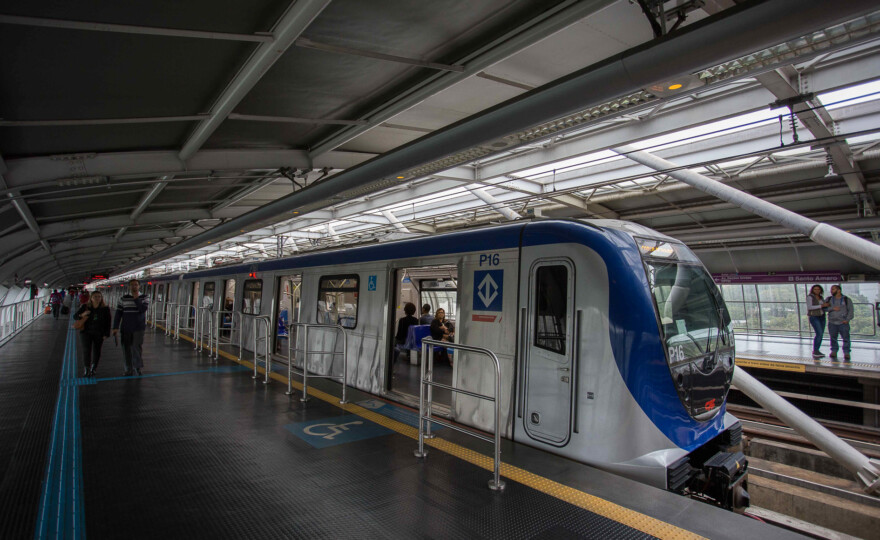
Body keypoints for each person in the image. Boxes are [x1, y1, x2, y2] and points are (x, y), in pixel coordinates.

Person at [112, 279, 150, 376]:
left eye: (136, 285)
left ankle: (137, 368)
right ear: (129, 287)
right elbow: (118, 313)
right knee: (126, 349)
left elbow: (142, 309)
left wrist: (136, 298)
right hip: (126, 328)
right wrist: (115, 327)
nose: (134, 286)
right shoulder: (123, 298)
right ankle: (128, 368)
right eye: (132, 285)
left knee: (136, 348)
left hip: (139, 328)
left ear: (139, 286)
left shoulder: (144, 297)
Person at [75, 291, 111, 377]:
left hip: (99, 333)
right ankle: (87, 369)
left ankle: (94, 368)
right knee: (86, 350)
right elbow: (75, 316)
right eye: (95, 297)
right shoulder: (85, 307)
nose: (97, 298)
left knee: (97, 350)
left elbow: (108, 322)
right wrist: (83, 314)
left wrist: (107, 333)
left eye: (99, 297)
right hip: (86, 332)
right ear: (91, 298)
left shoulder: (105, 309)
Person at [826, 284, 854, 360]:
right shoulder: (829, 299)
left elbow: (850, 311)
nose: (831, 291)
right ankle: (834, 351)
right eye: (831, 289)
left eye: (833, 289)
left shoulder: (846, 299)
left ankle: (846, 352)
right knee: (833, 337)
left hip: (843, 323)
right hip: (832, 322)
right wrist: (832, 308)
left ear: (839, 290)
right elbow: (824, 308)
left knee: (846, 338)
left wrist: (847, 320)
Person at [806, 285, 830, 359]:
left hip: (822, 316)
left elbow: (824, 307)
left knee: (821, 333)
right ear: (812, 290)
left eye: (818, 289)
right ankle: (815, 350)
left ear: (820, 290)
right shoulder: (810, 297)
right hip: (814, 316)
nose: (817, 290)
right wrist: (821, 306)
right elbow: (809, 307)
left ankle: (817, 350)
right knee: (819, 333)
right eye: (815, 289)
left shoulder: (821, 297)